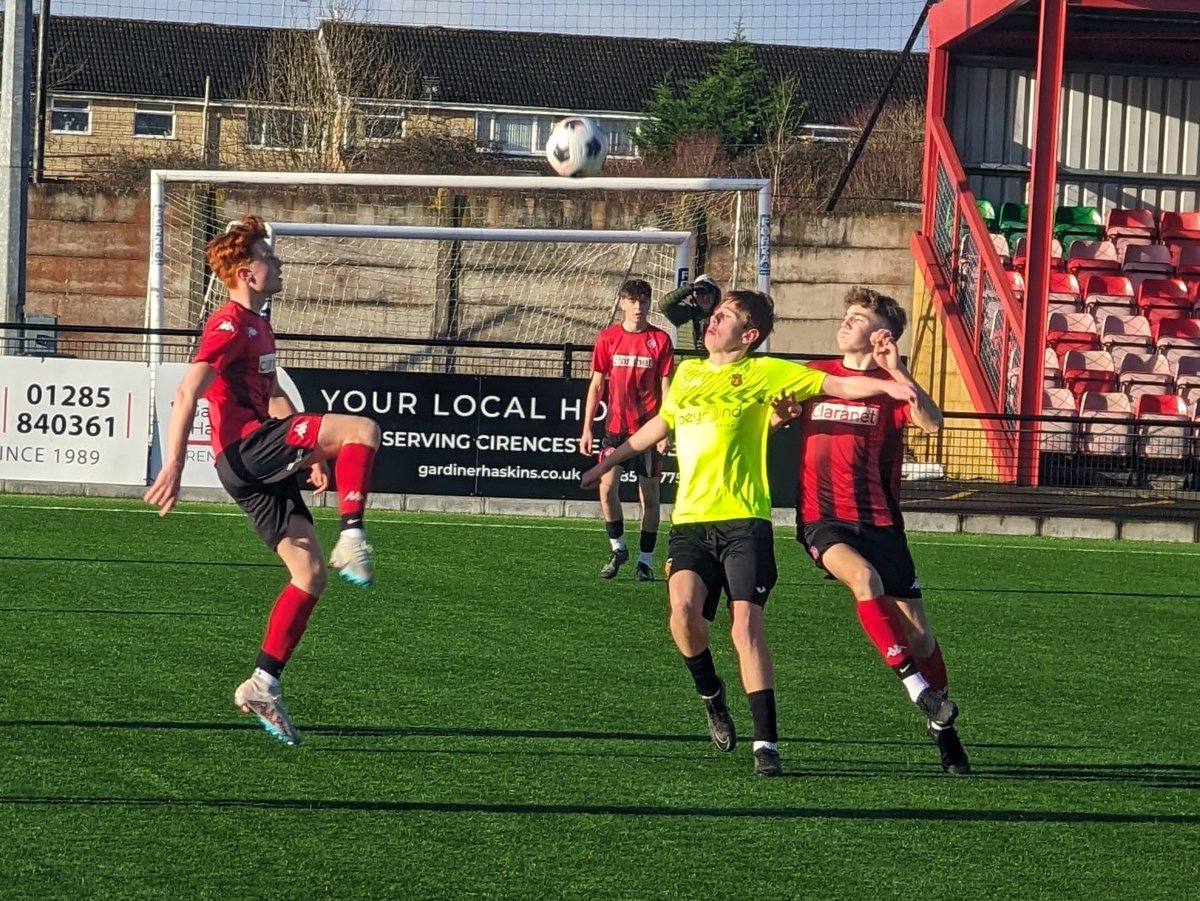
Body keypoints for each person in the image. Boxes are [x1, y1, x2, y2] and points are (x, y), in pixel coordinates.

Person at [581, 289, 933, 778]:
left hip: (746, 523)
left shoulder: (764, 371)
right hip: (691, 523)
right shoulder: (688, 374)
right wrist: (609, 461)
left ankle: (765, 743)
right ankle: (711, 695)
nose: (712, 320)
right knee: (681, 615)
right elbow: (658, 424)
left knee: (745, 628)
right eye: (714, 313)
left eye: (723, 316)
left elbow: (835, 385)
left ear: (747, 336)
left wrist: (890, 387)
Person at [144, 214, 381, 748]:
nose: (277, 262)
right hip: (246, 450)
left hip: (253, 460)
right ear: (247, 273)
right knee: (363, 428)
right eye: (267, 256)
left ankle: (263, 682)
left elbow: (274, 398)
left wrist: (315, 454)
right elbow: (187, 391)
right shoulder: (229, 323)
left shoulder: (260, 324)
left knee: (310, 575)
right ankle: (354, 536)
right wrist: (175, 462)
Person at [774, 287, 969, 775]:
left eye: (858, 317)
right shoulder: (815, 375)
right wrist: (780, 418)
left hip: (881, 522)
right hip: (822, 519)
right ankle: (916, 690)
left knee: (922, 637)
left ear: (880, 333)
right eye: (846, 314)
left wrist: (897, 371)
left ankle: (943, 730)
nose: (846, 322)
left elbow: (931, 423)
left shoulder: (890, 383)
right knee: (864, 580)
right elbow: (776, 418)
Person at [580, 279, 674, 581]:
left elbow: (666, 386)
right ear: (622, 303)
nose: (638, 307)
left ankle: (645, 561)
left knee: (649, 495)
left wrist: (666, 430)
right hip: (615, 430)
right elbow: (596, 384)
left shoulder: (659, 340)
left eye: (643, 301)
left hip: (648, 430)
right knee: (606, 488)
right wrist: (587, 428)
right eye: (632, 301)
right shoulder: (608, 338)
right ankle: (618, 547)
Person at [658, 273, 721, 352]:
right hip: (686, 361)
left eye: (709, 293)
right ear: (693, 297)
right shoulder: (685, 315)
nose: (705, 298)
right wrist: (689, 288)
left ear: (715, 296)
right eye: (700, 294)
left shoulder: (721, 317)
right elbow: (664, 304)